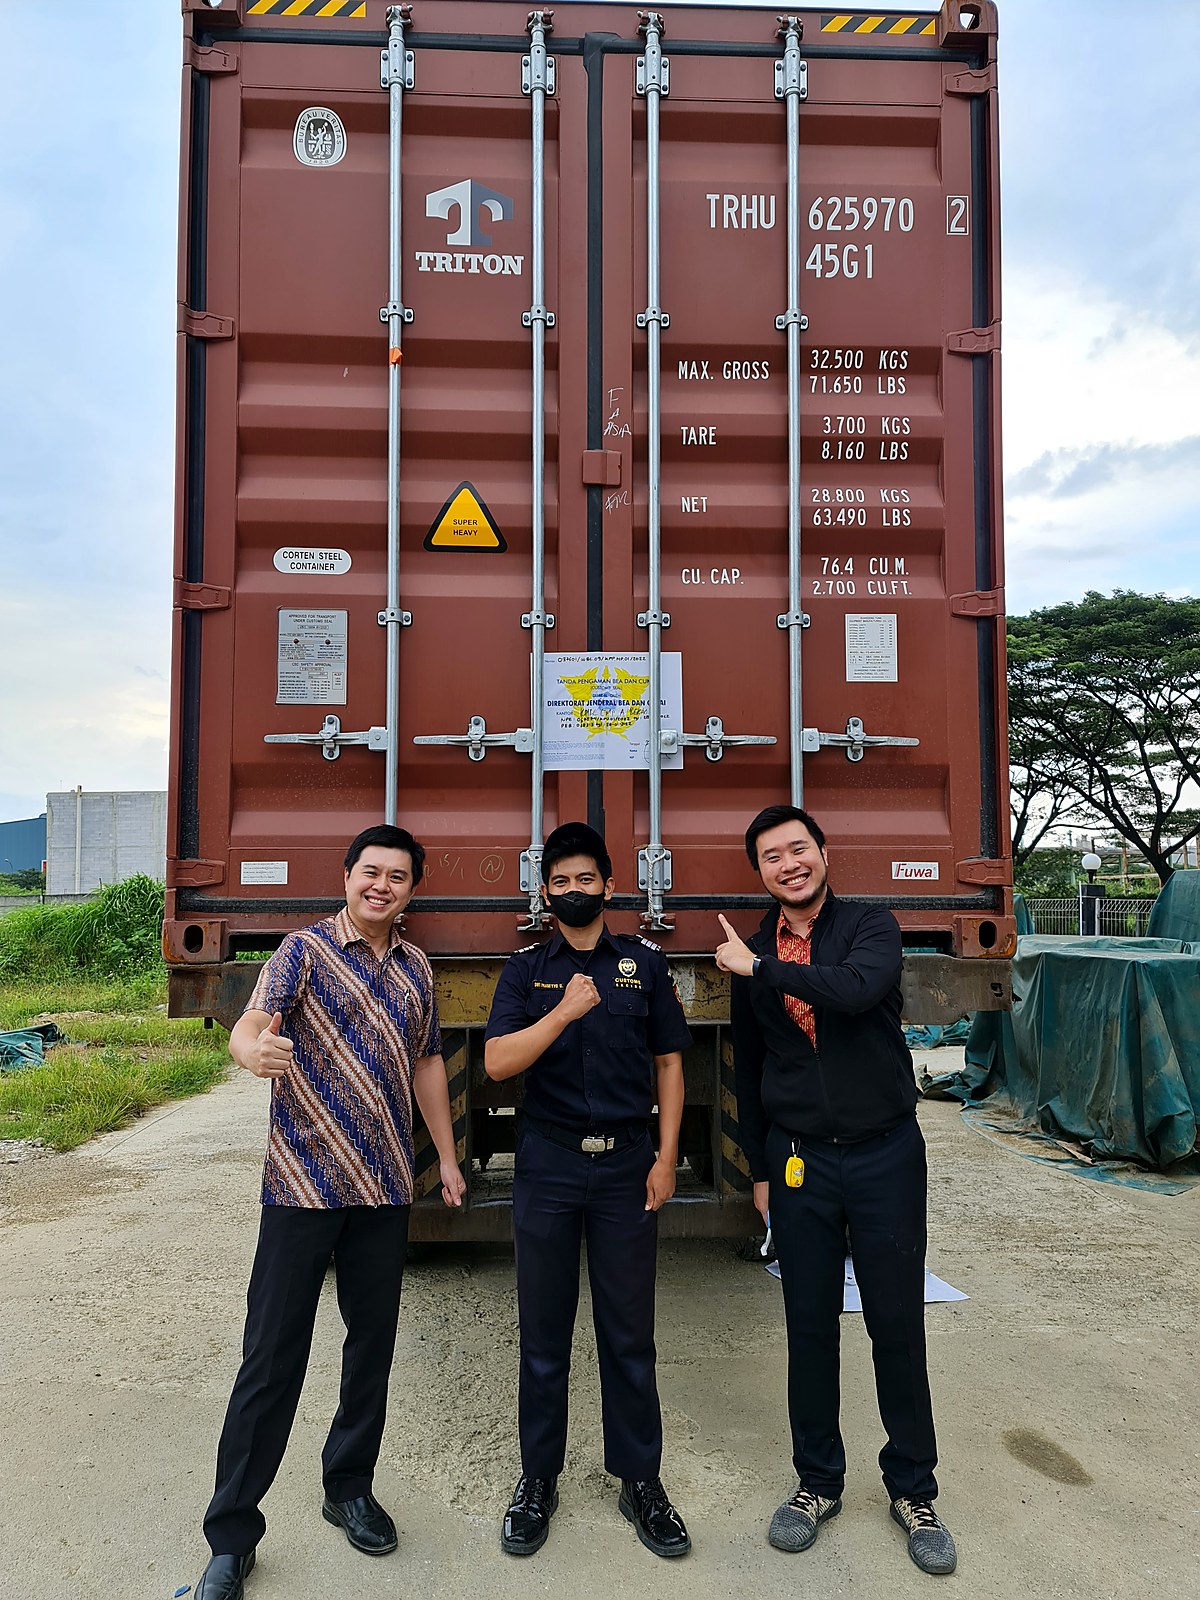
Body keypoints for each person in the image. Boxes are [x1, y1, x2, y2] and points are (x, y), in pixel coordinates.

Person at [191, 825, 466, 1600]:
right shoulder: (303, 953)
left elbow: (426, 1061)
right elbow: (252, 1024)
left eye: (398, 876)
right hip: (301, 1189)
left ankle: (348, 1488)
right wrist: (250, 1052)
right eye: (370, 872)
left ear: (412, 890)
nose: (382, 886)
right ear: (347, 876)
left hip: (383, 1189)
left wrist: (446, 1158)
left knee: (370, 1350)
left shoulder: (415, 966)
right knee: (270, 1360)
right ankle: (232, 1536)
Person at [715, 804, 956, 1577]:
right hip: (798, 1165)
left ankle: (913, 1489)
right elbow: (749, 1064)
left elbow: (854, 991)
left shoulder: (868, 927)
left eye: (799, 849)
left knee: (896, 1322)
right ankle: (817, 1481)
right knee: (809, 1326)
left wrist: (760, 970)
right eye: (772, 856)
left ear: (824, 853)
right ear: (760, 872)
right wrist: (759, 1169)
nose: (789, 864)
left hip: (885, 1155)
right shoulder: (752, 950)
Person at [483, 822, 692, 1560]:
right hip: (548, 1165)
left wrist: (667, 1158)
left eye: (586, 879)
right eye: (560, 881)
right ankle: (537, 1480)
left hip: (628, 1167)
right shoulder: (524, 971)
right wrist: (564, 1011)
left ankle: (641, 1482)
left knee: (629, 1335)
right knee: (543, 1333)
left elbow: (670, 1063)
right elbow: (498, 1062)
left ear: (610, 885)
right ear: (544, 893)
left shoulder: (645, 964)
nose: (574, 891)